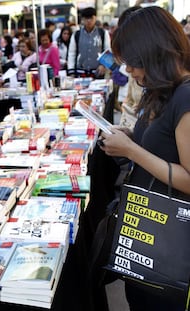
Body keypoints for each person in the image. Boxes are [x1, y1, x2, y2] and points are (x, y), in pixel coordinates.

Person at [99, 6, 190, 310]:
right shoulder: (159, 90)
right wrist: (130, 135)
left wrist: (131, 150)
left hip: (168, 243)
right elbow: (163, 144)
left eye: (132, 63)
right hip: (146, 233)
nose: (129, 72)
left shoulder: (185, 96)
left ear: (152, 53)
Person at [67, 7, 111, 78]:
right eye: (86, 18)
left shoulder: (103, 33)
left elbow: (108, 50)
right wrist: (71, 71)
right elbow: (72, 53)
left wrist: (103, 65)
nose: (89, 21)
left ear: (95, 18)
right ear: (82, 19)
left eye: (91, 18)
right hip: (80, 74)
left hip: (98, 73)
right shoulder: (76, 34)